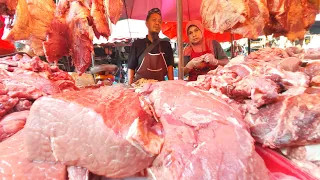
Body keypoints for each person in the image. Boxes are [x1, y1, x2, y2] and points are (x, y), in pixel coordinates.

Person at [127, 8, 174, 84]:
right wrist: (130, 86)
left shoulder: (166, 45)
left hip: (160, 89)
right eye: (154, 20)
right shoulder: (137, 44)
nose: (157, 23)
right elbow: (131, 68)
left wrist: (172, 86)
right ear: (146, 24)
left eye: (159, 21)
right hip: (140, 88)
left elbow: (170, 69)